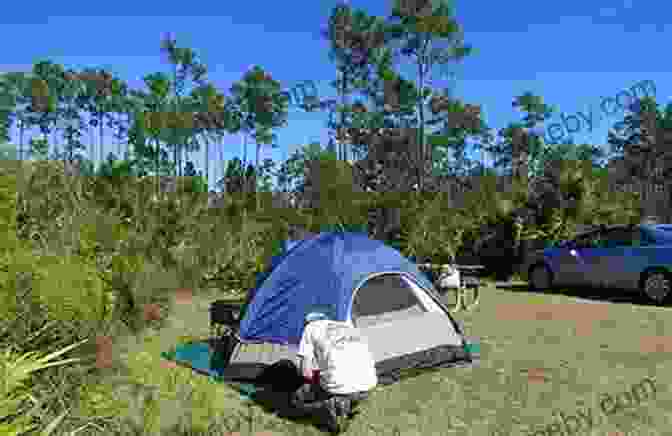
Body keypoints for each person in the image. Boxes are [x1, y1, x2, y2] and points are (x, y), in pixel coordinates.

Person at [288, 311, 378, 433]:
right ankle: (346, 405)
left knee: (297, 398)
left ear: (307, 323)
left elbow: (306, 374)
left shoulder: (310, 329)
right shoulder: (346, 326)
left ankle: (326, 408)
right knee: (340, 385)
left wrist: (312, 374)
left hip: (340, 387)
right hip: (368, 386)